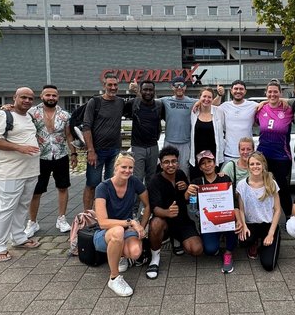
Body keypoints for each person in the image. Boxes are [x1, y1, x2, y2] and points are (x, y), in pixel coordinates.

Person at [0, 87, 41, 262]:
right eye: (23, 97)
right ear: (14, 98)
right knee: (6, 207)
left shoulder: (29, 116)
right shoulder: (2, 115)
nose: (27, 101)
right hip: (9, 172)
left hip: (30, 170)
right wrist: (20, 148)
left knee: (23, 205)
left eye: (30, 98)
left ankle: (18, 237)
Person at [132, 76, 223, 178]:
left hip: (186, 143)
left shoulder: (192, 102)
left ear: (185, 87)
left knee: (184, 172)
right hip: (169, 142)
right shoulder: (165, 101)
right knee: (167, 171)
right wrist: (136, 91)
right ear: (172, 87)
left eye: (182, 85)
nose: (179, 87)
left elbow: (211, 104)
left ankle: (185, 193)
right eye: (176, 85)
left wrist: (219, 95)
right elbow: (148, 101)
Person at [93, 152, 151, 296]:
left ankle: (120, 256)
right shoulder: (103, 187)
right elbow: (102, 222)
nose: (127, 171)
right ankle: (114, 278)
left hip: (127, 229)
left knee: (136, 252)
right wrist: (131, 222)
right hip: (105, 233)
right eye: (123, 167)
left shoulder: (134, 182)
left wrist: (142, 228)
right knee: (118, 230)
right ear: (116, 168)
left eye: (130, 168)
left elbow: (148, 205)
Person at [24, 85, 77, 238]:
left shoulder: (65, 115)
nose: (51, 98)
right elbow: (17, 114)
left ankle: (61, 219)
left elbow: (68, 136)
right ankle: (32, 222)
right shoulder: (31, 113)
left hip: (60, 155)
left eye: (54, 95)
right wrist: (7, 107)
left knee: (63, 187)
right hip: (40, 157)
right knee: (36, 190)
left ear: (58, 97)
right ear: (42, 96)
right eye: (48, 95)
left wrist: (73, 154)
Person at [146, 146, 203, 280]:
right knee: (155, 223)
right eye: (166, 162)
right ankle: (155, 258)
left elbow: (189, 199)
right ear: (161, 163)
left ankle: (176, 239)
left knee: (196, 250)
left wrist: (187, 190)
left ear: (177, 162)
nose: (170, 165)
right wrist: (167, 212)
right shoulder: (154, 181)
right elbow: (154, 208)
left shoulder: (181, 174)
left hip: (182, 220)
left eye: (174, 161)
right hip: (165, 222)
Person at [187, 150, 241, 273]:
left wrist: (238, 220)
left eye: (210, 161)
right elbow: (190, 202)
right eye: (203, 163)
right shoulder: (196, 182)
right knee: (210, 250)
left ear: (215, 162)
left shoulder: (225, 178)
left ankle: (228, 252)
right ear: (200, 167)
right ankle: (216, 238)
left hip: (225, 218)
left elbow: (233, 202)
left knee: (231, 221)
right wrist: (187, 192)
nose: (207, 165)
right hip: (209, 223)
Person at [82, 74, 124, 211]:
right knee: (92, 184)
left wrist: (136, 91)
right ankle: (87, 215)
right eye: (110, 85)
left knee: (111, 183)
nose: (113, 88)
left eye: (115, 85)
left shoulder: (120, 102)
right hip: (97, 151)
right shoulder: (95, 102)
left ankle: (106, 212)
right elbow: (86, 127)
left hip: (114, 150)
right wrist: (91, 150)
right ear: (104, 85)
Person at [236, 151, 282, 271]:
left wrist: (271, 233)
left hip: (268, 225)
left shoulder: (271, 183)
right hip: (251, 224)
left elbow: (277, 210)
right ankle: (254, 242)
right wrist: (244, 226)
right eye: (252, 164)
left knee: (268, 265)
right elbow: (241, 209)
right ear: (248, 166)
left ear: (263, 165)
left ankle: (266, 242)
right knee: (243, 241)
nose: (255, 166)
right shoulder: (242, 185)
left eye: (258, 164)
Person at [123, 80, 162, 217]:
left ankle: (149, 208)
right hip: (138, 147)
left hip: (153, 146)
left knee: (151, 179)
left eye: (150, 90)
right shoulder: (133, 103)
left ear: (154, 91)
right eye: (145, 89)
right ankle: (133, 210)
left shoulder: (158, 105)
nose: (148, 92)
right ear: (140, 90)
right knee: (137, 179)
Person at [256, 79, 293, 219]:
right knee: (263, 188)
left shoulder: (288, 109)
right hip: (263, 157)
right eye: (269, 92)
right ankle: (265, 217)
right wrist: (262, 103)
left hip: (281, 157)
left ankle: (289, 217)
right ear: (266, 93)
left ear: (280, 93)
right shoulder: (260, 109)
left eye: (275, 92)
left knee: (282, 189)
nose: (272, 94)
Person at [189, 87, 225, 180]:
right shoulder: (194, 111)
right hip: (197, 155)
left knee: (214, 184)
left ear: (213, 99)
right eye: (204, 96)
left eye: (209, 97)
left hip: (214, 155)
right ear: (199, 98)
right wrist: (198, 103)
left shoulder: (219, 112)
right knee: (197, 183)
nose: (206, 99)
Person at [219, 80, 258, 162]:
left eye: (241, 89)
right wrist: (219, 95)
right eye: (236, 89)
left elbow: (269, 104)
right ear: (231, 91)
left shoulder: (253, 105)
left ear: (245, 91)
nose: (238, 91)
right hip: (229, 154)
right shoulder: (225, 106)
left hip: (247, 154)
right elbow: (210, 107)